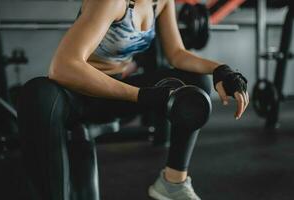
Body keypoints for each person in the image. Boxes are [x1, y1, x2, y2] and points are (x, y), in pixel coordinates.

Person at [17, 0, 249, 199]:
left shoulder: (160, 2)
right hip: (78, 96)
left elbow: (176, 53)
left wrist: (221, 69)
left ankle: (173, 183)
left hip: (114, 93)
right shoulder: (112, 2)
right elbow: (62, 67)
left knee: (196, 83)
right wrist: (141, 95)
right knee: (39, 93)